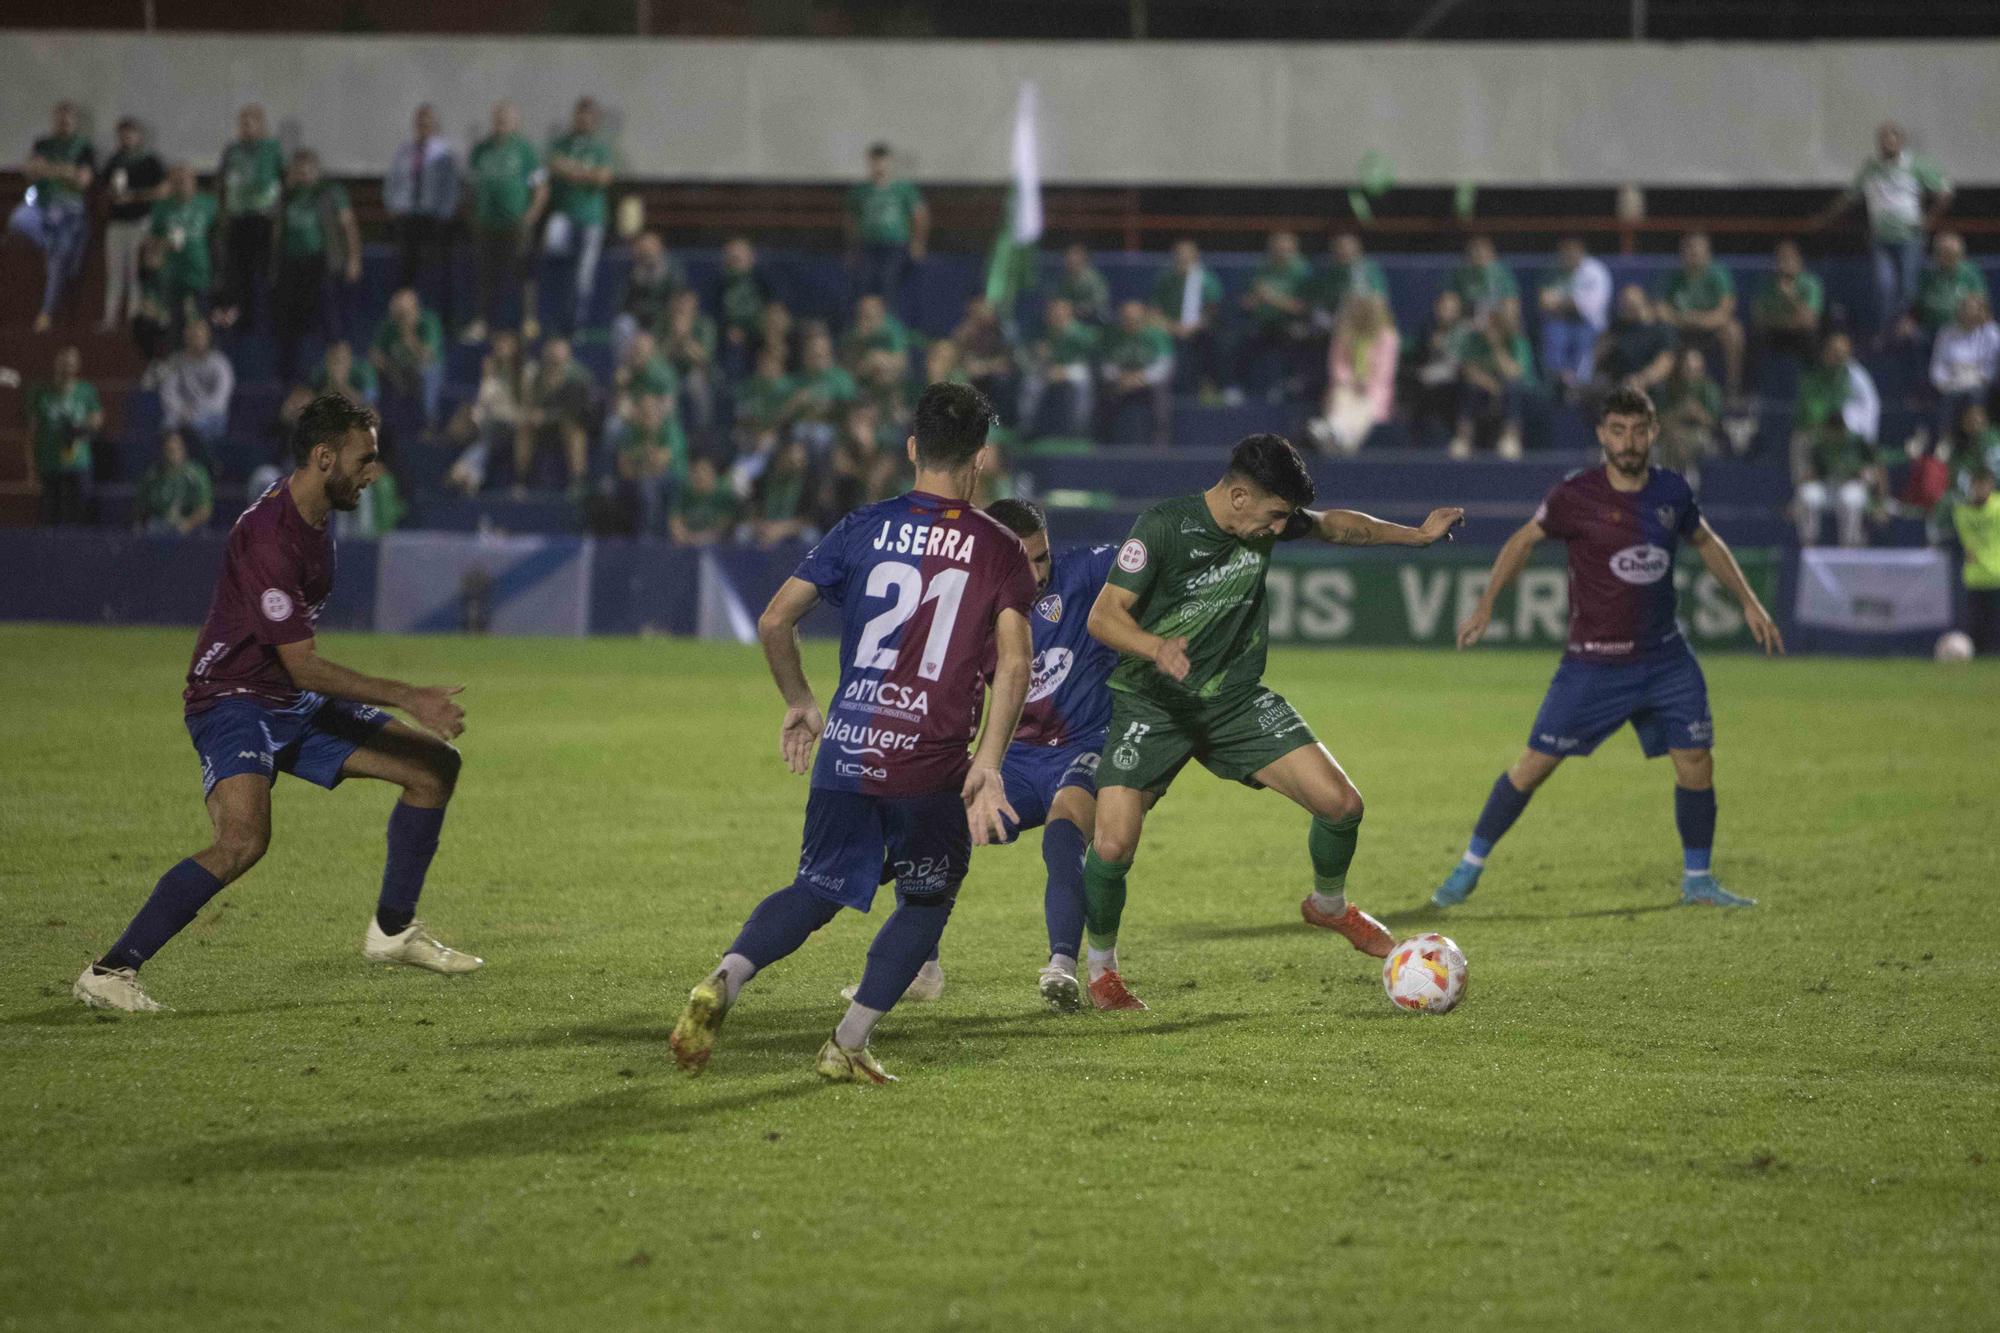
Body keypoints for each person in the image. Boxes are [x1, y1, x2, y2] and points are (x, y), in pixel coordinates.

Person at [667, 383, 1036, 1084]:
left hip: (847, 747)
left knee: (817, 886)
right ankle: (848, 1041)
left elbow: (775, 621)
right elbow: (1015, 661)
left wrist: (801, 699)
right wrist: (987, 761)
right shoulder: (998, 547)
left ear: (910, 450)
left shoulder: (863, 525)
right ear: (980, 459)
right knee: (929, 893)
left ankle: (727, 975)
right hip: (927, 762)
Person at [73, 396, 479, 1014]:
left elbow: (299, 671)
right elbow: (305, 663)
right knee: (243, 840)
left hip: (290, 699)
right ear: (324, 457)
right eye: (365, 459)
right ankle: (109, 970)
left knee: (433, 768)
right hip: (231, 700)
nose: (376, 473)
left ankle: (392, 932)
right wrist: (409, 695)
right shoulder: (268, 535)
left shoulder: (316, 521)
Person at [1077, 434, 1464, 1010]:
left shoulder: (1267, 521)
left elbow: (1336, 525)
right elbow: (1104, 617)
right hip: (1153, 705)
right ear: (1238, 497)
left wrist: (1417, 535)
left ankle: (1328, 906)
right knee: (1111, 846)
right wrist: (1155, 647)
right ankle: (1101, 970)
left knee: (1342, 806)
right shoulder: (1161, 527)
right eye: (1275, 516)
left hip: (1233, 701)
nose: (1282, 529)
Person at [1433, 387, 1784, 913]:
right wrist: (1486, 606)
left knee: (1695, 759)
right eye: (1617, 430)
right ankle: (1469, 866)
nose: (1628, 441)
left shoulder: (1672, 491)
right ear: (1601, 434)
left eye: (1638, 430)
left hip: (1666, 659)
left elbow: (1706, 541)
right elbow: (1522, 540)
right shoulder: (1576, 495)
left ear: (1653, 432)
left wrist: (1750, 602)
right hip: (1594, 663)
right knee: (1533, 766)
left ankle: (1698, 881)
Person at [1817, 122, 1954, 336]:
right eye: (1882, 141)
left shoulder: (1916, 165)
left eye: (1891, 140)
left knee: (1908, 287)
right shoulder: (1871, 168)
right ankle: (1886, 331)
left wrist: (1928, 221)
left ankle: (1905, 330)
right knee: (1884, 286)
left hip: (1909, 237)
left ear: (1901, 142)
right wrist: (1825, 217)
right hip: (1881, 238)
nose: (1886, 145)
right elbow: (1850, 196)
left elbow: (1945, 192)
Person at [274, 149, 361, 385]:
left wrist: (353, 258)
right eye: (298, 170)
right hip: (293, 264)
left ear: (317, 171)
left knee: (330, 318)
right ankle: (290, 376)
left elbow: (348, 225)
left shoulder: (330, 193)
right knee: (290, 322)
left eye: (307, 170)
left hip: (322, 263)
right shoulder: (287, 195)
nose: (303, 175)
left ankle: (341, 375)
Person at [9, 101, 96, 334]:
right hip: (41, 205)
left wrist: (50, 170)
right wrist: (65, 170)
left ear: (74, 122)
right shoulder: (43, 143)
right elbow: (30, 171)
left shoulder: (83, 147)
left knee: (59, 260)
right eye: (59, 118)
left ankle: (47, 312)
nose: (63, 123)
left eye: (68, 119)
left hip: (69, 209)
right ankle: (49, 243)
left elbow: (82, 181)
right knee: (18, 219)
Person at [464, 101, 547, 343]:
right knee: (485, 275)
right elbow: (471, 185)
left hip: (516, 224)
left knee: (522, 272)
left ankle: (528, 320)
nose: (501, 123)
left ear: (515, 123)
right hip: (486, 224)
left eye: (506, 119)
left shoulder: (525, 151)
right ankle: (482, 322)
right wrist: (473, 214)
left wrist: (531, 215)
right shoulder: (481, 150)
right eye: (498, 118)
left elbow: (541, 188)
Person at [384, 104, 462, 330]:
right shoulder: (405, 151)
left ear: (435, 125)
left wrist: (444, 214)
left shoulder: (444, 152)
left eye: (428, 122)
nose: (423, 126)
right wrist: (393, 205)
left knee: (440, 271)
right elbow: (394, 180)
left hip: (435, 218)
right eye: (420, 122)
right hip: (408, 217)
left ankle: (443, 320)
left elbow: (451, 186)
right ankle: (402, 318)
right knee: (405, 269)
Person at [543, 97, 615, 333]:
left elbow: (603, 177)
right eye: (580, 115)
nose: (583, 120)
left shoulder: (601, 148)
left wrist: (573, 171)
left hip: (591, 218)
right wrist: (586, 173)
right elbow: (553, 165)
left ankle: (577, 325)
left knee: (584, 275)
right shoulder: (563, 143)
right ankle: (552, 317)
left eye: (589, 116)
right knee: (554, 254)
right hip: (564, 214)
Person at [213, 105, 284, 331]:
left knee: (267, 269)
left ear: (261, 125)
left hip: (263, 217)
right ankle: (244, 319)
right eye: (243, 122)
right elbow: (222, 181)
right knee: (238, 271)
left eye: (251, 122)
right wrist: (222, 213)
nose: (246, 127)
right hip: (237, 216)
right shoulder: (232, 151)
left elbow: (282, 181)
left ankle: (271, 318)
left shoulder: (272, 149)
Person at [1656, 232, 1744, 401]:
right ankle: (1663, 395)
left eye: (1697, 248)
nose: (1692, 253)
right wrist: (1679, 319)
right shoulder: (1673, 276)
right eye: (1688, 248)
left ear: (1707, 251)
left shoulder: (1719, 273)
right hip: (1681, 331)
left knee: (1733, 330)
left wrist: (1692, 318)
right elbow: (1660, 309)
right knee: (1659, 332)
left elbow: (1725, 312)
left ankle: (1733, 387)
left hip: (1710, 330)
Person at [100, 117, 166, 334]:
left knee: (137, 273)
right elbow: (105, 190)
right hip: (117, 223)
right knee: (115, 274)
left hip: (141, 223)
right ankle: (110, 319)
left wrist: (134, 198)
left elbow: (161, 190)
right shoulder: (114, 161)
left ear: (139, 136)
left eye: (131, 134)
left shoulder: (151, 162)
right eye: (123, 134)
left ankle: (133, 320)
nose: (127, 138)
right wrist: (113, 196)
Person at [845, 142, 927, 314]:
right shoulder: (860, 191)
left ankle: (889, 325)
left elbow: (919, 216)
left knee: (888, 283)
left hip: (895, 246)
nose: (879, 167)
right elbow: (852, 219)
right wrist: (853, 247)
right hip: (868, 245)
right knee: (863, 283)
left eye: (882, 161)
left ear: (890, 163)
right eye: (875, 162)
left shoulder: (903, 189)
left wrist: (917, 243)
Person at [1315, 293, 1398, 455]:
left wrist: (1365, 382)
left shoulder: (1388, 336)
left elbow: (1385, 372)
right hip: (1346, 387)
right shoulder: (1343, 334)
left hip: (1374, 391)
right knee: (1341, 397)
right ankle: (1334, 431)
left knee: (1365, 407)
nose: (1360, 312)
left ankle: (1339, 438)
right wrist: (1352, 381)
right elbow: (1337, 367)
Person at [28, 345, 102, 524]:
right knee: (49, 517)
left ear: (77, 366)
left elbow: (97, 420)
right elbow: (32, 432)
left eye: (71, 363)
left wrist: (80, 429)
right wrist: (31, 467)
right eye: (64, 362)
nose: (67, 367)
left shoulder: (86, 391)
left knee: (78, 517)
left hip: (78, 464)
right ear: (56, 363)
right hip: (49, 463)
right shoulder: (40, 393)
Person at [514, 337, 596, 494]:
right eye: (551, 354)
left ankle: (577, 480)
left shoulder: (578, 377)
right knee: (523, 427)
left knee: (573, 429)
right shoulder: (537, 377)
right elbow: (531, 406)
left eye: (558, 353)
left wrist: (546, 416)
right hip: (544, 427)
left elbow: (577, 410)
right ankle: (521, 480)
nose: (554, 358)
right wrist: (532, 414)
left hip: (573, 423)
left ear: (567, 354)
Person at [1238, 231, 1313, 400]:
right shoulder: (1263, 268)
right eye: (1276, 249)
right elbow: (1249, 299)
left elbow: (1303, 308)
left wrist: (1272, 299)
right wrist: (1251, 301)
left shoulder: (1303, 271)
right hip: (1263, 323)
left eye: (1285, 249)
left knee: (1293, 338)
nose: (1280, 252)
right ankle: (1240, 390)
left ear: (1294, 249)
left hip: (1293, 324)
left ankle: (1288, 390)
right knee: (1236, 340)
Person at [1452, 304, 1532, 460]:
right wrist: (1491, 385)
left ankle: (1510, 438)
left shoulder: (1516, 340)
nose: (1491, 324)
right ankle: (1463, 438)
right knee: (1469, 387)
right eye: (1488, 320)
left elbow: (1514, 373)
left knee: (1512, 388)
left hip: (1509, 389)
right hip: (1484, 388)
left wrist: (1496, 347)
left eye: (1494, 320)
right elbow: (1468, 370)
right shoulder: (1474, 340)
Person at [147, 163, 218, 336]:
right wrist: (163, 246)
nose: (181, 184)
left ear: (193, 181)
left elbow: (219, 238)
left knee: (203, 329)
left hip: (200, 274)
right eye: (176, 181)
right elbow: (152, 244)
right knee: (175, 329)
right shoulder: (161, 208)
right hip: (172, 276)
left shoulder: (209, 204)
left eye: (184, 180)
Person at [1149, 239, 1224, 396]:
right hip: (1168, 329)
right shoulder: (1165, 279)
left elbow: (1211, 312)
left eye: (1186, 254)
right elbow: (1154, 311)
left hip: (1198, 330)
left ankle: (1206, 388)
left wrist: (1190, 327)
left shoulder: (1207, 280)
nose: (1181, 258)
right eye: (1178, 254)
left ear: (1195, 256)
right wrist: (1172, 327)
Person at [1536, 238, 1611, 393]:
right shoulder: (1553, 269)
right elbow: (1544, 302)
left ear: (1581, 253)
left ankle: (1579, 385)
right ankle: (1558, 382)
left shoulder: (1595, 271)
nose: (1569, 258)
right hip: (1560, 320)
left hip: (1589, 322)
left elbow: (1591, 306)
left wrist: (1561, 301)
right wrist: (1570, 302)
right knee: (1553, 332)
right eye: (1565, 254)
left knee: (1583, 337)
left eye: (1573, 254)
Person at [148, 318, 233, 453]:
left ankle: (204, 463)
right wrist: (182, 410)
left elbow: (220, 399)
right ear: (186, 337)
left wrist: (195, 412)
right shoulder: (176, 361)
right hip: (182, 413)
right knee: (167, 424)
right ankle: (171, 466)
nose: (197, 338)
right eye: (193, 335)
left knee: (197, 426)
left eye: (200, 335)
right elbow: (168, 393)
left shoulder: (220, 363)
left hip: (211, 415)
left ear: (208, 337)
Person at [1021, 295, 1098, 440]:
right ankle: (1028, 425)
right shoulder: (1044, 331)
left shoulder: (1082, 333)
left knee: (1083, 383)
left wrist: (1064, 371)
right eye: (1053, 311)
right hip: (1050, 369)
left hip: (1077, 369)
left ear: (1069, 312)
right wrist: (1040, 355)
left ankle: (1080, 426)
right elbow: (1032, 357)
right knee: (1031, 383)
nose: (1056, 314)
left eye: (1060, 311)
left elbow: (1090, 360)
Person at [369, 288, 445, 433]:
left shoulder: (428, 321)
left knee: (425, 372)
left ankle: (429, 422)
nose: (400, 315)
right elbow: (375, 354)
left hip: (426, 367)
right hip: (397, 368)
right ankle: (376, 419)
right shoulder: (389, 325)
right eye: (398, 310)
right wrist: (392, 370)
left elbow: (425, 356)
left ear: (414, 307)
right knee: (374, 373)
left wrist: (408, 333)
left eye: (404, 311)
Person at [1099, 299, 1173, 446]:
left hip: (1148, 384)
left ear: (1143, 319)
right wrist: (1121, 377)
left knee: (1160, 398)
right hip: (1121, 382)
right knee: (1105, 396)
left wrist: (1142, 378)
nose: (1130, 323)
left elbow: (1164, 366)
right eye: (1126, 319)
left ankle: (1159, 448)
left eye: (1134, 319)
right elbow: (1106, 366)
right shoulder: (1112, 336)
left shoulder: (1156, 335)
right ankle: (1105, 445)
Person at [1748, 239, 1825, 372]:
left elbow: (1810, 321)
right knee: (1755, 338)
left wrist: (1790, 296)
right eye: (1780, 258)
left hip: (1801, 334)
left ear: (1799, 260)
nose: (1784, 263)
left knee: (1811, 338)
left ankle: (1814, 379)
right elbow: (1758, 318)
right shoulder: (1767, 284)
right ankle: (1751, 389)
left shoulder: (1811, 283)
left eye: (1789, 258)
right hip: (1776, 333)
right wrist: (1786, 322)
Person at [1929, 293, 1997, 439]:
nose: (1968, 314)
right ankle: (1946, 441)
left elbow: (1992, 365)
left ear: (1981, 311)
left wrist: (1978, 378)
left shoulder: (1991, 333)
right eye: (1965, 310)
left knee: (1973, 395)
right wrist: (1942, 382)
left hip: (1979, 381)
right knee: (1949, 397)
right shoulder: (1946, 333)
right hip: (1953, 380)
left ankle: (1978, 440)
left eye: (1973, 310)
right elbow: (1937, 364)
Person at [612, 231, 687, 360]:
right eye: (643, 249)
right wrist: (635, 280)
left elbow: (678, 298)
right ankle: (625, 368)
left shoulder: (672, 269)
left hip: (664, 319)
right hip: (639, 321)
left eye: (651, 248)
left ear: (660, 248)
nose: (647, 253)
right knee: (623, 324)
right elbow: (619, 302)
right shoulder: (631, 270)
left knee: (679, 325)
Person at [1950, 466, 2000, 655]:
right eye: (1975, 485)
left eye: (1983, 485)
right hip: (1974, 577)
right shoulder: (1962, 511)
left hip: (1998, 575)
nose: (1979, 489)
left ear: (1991, 485)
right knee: (1977, 630)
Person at [1596, 285, 1677, 393]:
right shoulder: (1618, 327)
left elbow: (1664, 363)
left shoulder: (1661, 329)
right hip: (1617, 385)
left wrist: (1642, 379)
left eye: (1630, 305)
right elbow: (1598, 354)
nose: (1625, 309)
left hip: (1649, 388)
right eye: (1624, 305)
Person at [1912, 232, 1990, 339]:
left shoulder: (1970, 273)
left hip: (1962, 330)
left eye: (1951, 254)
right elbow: (1914, 303)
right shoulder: (1926, 274)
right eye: (1942, 254)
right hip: (1929, 329)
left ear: (1960, 255)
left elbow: (1980, 304)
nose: (1946, 258)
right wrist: (1910, 320)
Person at [135, 431, 214, 535]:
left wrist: (186, 525)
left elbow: (205, 509)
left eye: (177, 449)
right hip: (158, 527)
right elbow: (140, 507)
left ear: (184, 449)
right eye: (169, 450)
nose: (174, 453)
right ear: (163, 450)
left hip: (189, 528)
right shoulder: (152, 475)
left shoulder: (196, 474)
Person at [667, 455, 740, 546]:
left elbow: (722, 527)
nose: (699, 476)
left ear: (713, 475)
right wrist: (682, 536)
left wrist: (698, 539)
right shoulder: (684, 494)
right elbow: (675, 520)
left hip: (718, 548)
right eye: (695, 472)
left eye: (704, 472)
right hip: (686, 546)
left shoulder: (723, 496)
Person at [1449, 235, 1519, 319]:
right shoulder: (1461, 274)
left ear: (1493, 255)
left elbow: (1511, 303)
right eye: (1476, 251)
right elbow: (1452, 302)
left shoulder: (1501, 273)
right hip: (1468, 323)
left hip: (1496, 323)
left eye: (1485, 252)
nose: (1480, 255)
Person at [1053, 242, 1111, 326]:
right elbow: (1059, 298)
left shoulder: (1093, 279)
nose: (1072, 259)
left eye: (1075, 256)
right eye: (1069, 256)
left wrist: (1080, 309)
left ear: (1083, 259)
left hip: (1093, 319)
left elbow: (1100, 301)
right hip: (1069, 319)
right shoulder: (1062, 279)